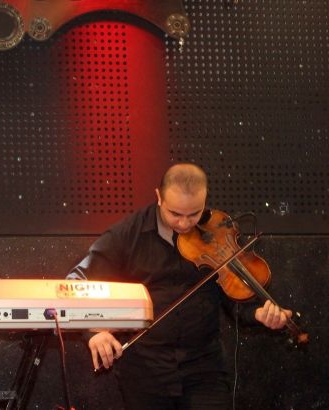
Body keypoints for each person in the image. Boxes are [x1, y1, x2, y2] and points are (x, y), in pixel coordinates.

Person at [67, 163, 291, 410]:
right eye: (175, 214)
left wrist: (256, 313)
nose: (184, 224)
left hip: (205, 367)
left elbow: (233, 296)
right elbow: (77, 281)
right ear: (159, 197)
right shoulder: (129, 234)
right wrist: (94, 331)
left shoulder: (217, 232)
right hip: (145, 369)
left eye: (194, 214)